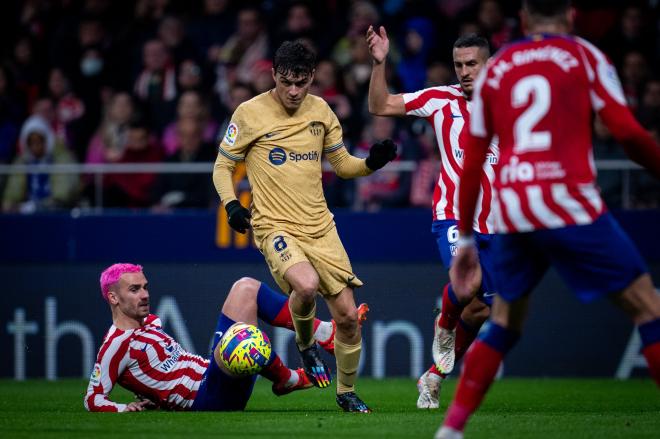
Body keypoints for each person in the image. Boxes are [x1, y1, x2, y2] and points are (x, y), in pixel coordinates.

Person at [440, 1, 660, 437]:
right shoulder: (584, 55)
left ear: (522, 21)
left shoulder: (499, 68)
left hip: (514, 209)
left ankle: (451, 429)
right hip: (567, 203)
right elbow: (630, 134)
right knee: (648, 309)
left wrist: (465, 240)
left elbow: (473, 163)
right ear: (571, 16)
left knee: (503, 321)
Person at [212, 40, 396, 413]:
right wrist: (232, 204)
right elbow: (222, 166)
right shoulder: (249, 113)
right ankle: (307, 344)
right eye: (286, 83)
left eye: (301, 83)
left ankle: (346, 392)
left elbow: (343, 165)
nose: (293, 91)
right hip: (274, 225)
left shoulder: (321, 111)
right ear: (273, 76)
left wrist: (371, 164)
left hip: (321, 227)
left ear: (312, 78)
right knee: (306, 285)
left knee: (347, 317)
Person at [367, 26, 497, 409]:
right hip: (454, 214)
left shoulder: (510, 105)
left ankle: (434, 375)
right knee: (467, 282)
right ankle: (444, 324)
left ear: (490, 64)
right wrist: (379, 63)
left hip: (498, 223)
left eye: (472, 63)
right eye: (459, 65)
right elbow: (380, 106)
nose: (464, 72)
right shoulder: (440, 99)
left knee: (481, 308)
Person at [84, 263, 368, 412]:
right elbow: (93, 399)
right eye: (134, 290)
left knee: (246, 287)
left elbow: (157, 375)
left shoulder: (151, 323)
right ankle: (287, 379)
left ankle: (324, 332)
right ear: (113, 297)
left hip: (212, 375)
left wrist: (152, 395)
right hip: (207, 400)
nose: (145, 294)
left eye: (145, 287)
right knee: (245, 339)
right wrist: (124, 408)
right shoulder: (116, 346)